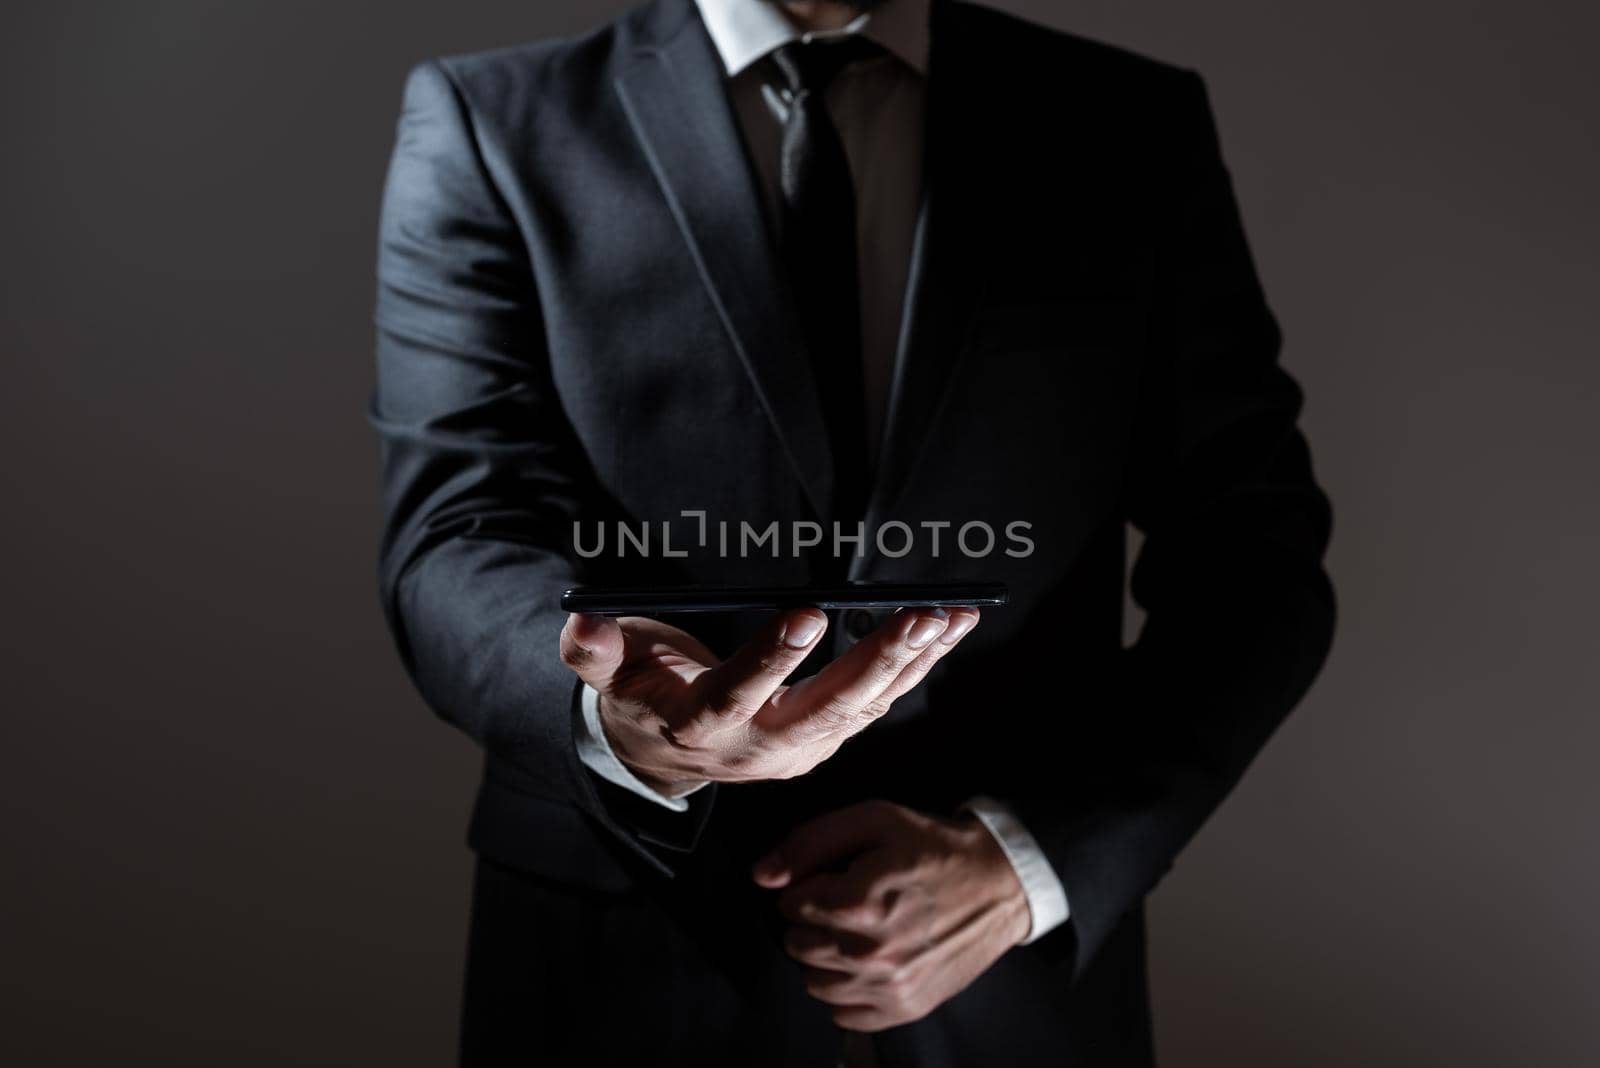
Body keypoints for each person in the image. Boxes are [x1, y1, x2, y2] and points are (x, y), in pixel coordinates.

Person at [371, 0, 1335, 1063]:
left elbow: (1254, 557)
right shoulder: (492, 118)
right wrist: (614, 714)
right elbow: (453, 531)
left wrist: (1028, 861)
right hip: (625, 967)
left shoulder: (1126, 122)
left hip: (1002, 982)